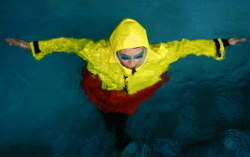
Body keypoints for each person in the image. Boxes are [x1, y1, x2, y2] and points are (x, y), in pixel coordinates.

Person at [5, 18, 247, 154]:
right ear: (114, 51)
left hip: (141, 88)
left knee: (122, 114)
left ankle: (119, 131)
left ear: (145, 48)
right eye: (125, 56)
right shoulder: (97, 52)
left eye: (137, 55)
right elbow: (68, 44)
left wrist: (224, 42)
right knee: (111, 116)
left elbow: (189, 46)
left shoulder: (160, 54)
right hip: (106, 88)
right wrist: (32, 46)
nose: (132, 62)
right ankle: (119, 134)